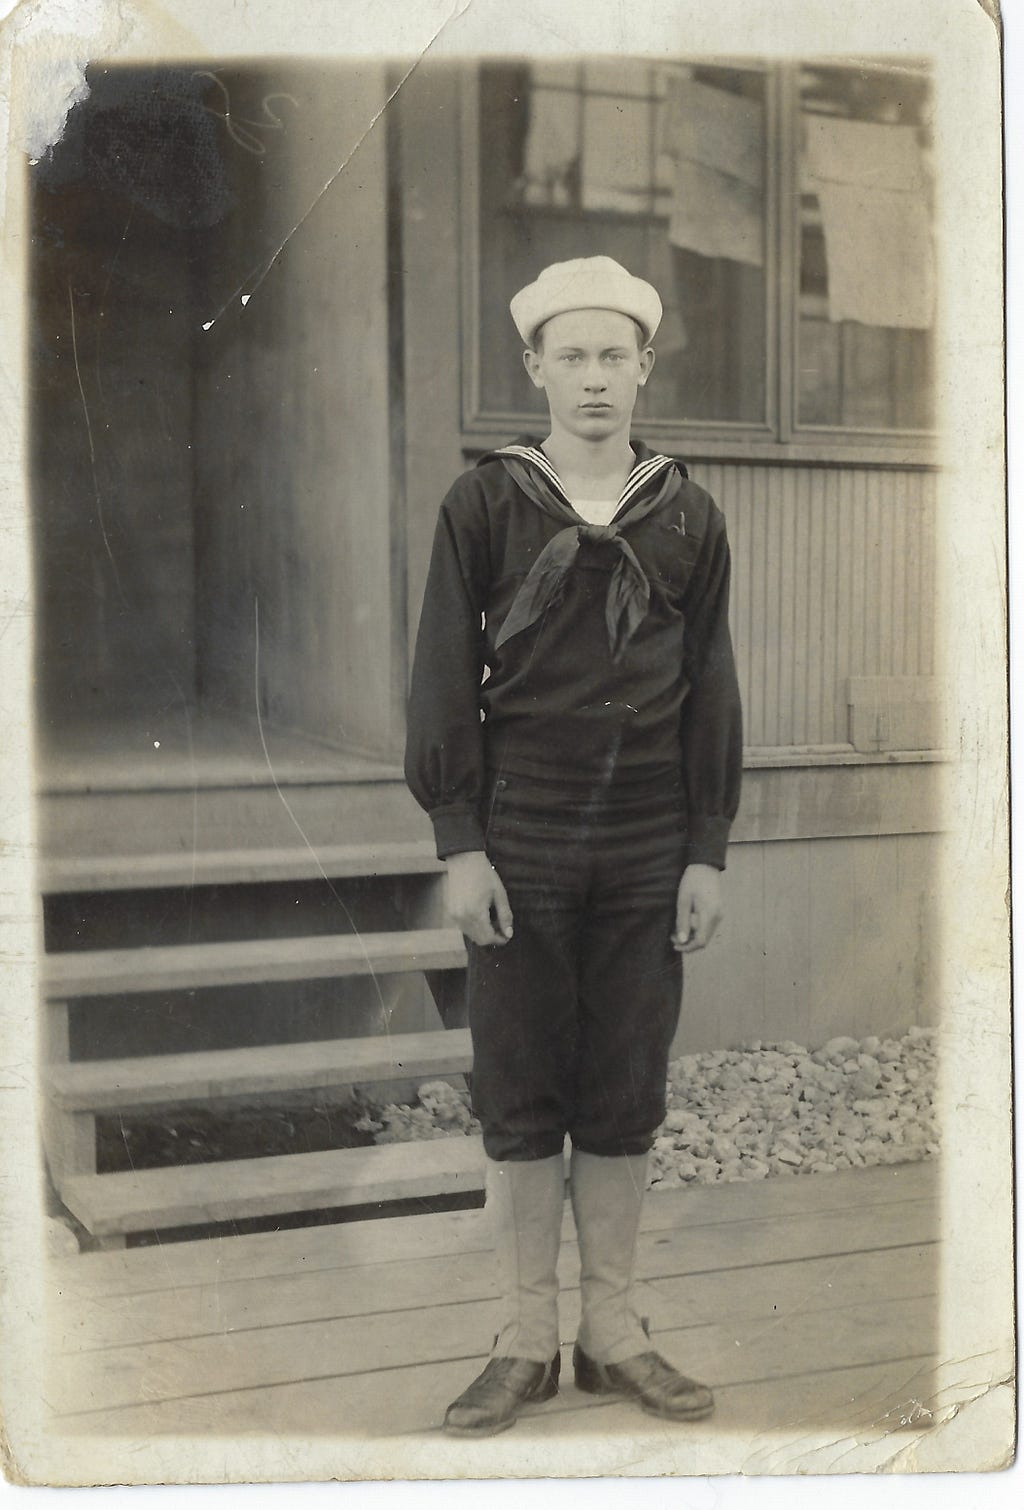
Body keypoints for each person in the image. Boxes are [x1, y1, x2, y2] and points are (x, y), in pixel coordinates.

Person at [405, 256, 743, 1437]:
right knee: (520, 1085)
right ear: (535, 367)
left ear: (644, 366)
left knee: (622, 1087)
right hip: (523, 835)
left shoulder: (687, 510)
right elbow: (443, 678)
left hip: (649, 840)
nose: (594, 379)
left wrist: (705, 844)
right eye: (573, 356)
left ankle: (612, 1328)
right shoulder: (485, 503)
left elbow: (711, 684)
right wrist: (460, 841)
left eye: (615, 356)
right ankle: (522, 1336)